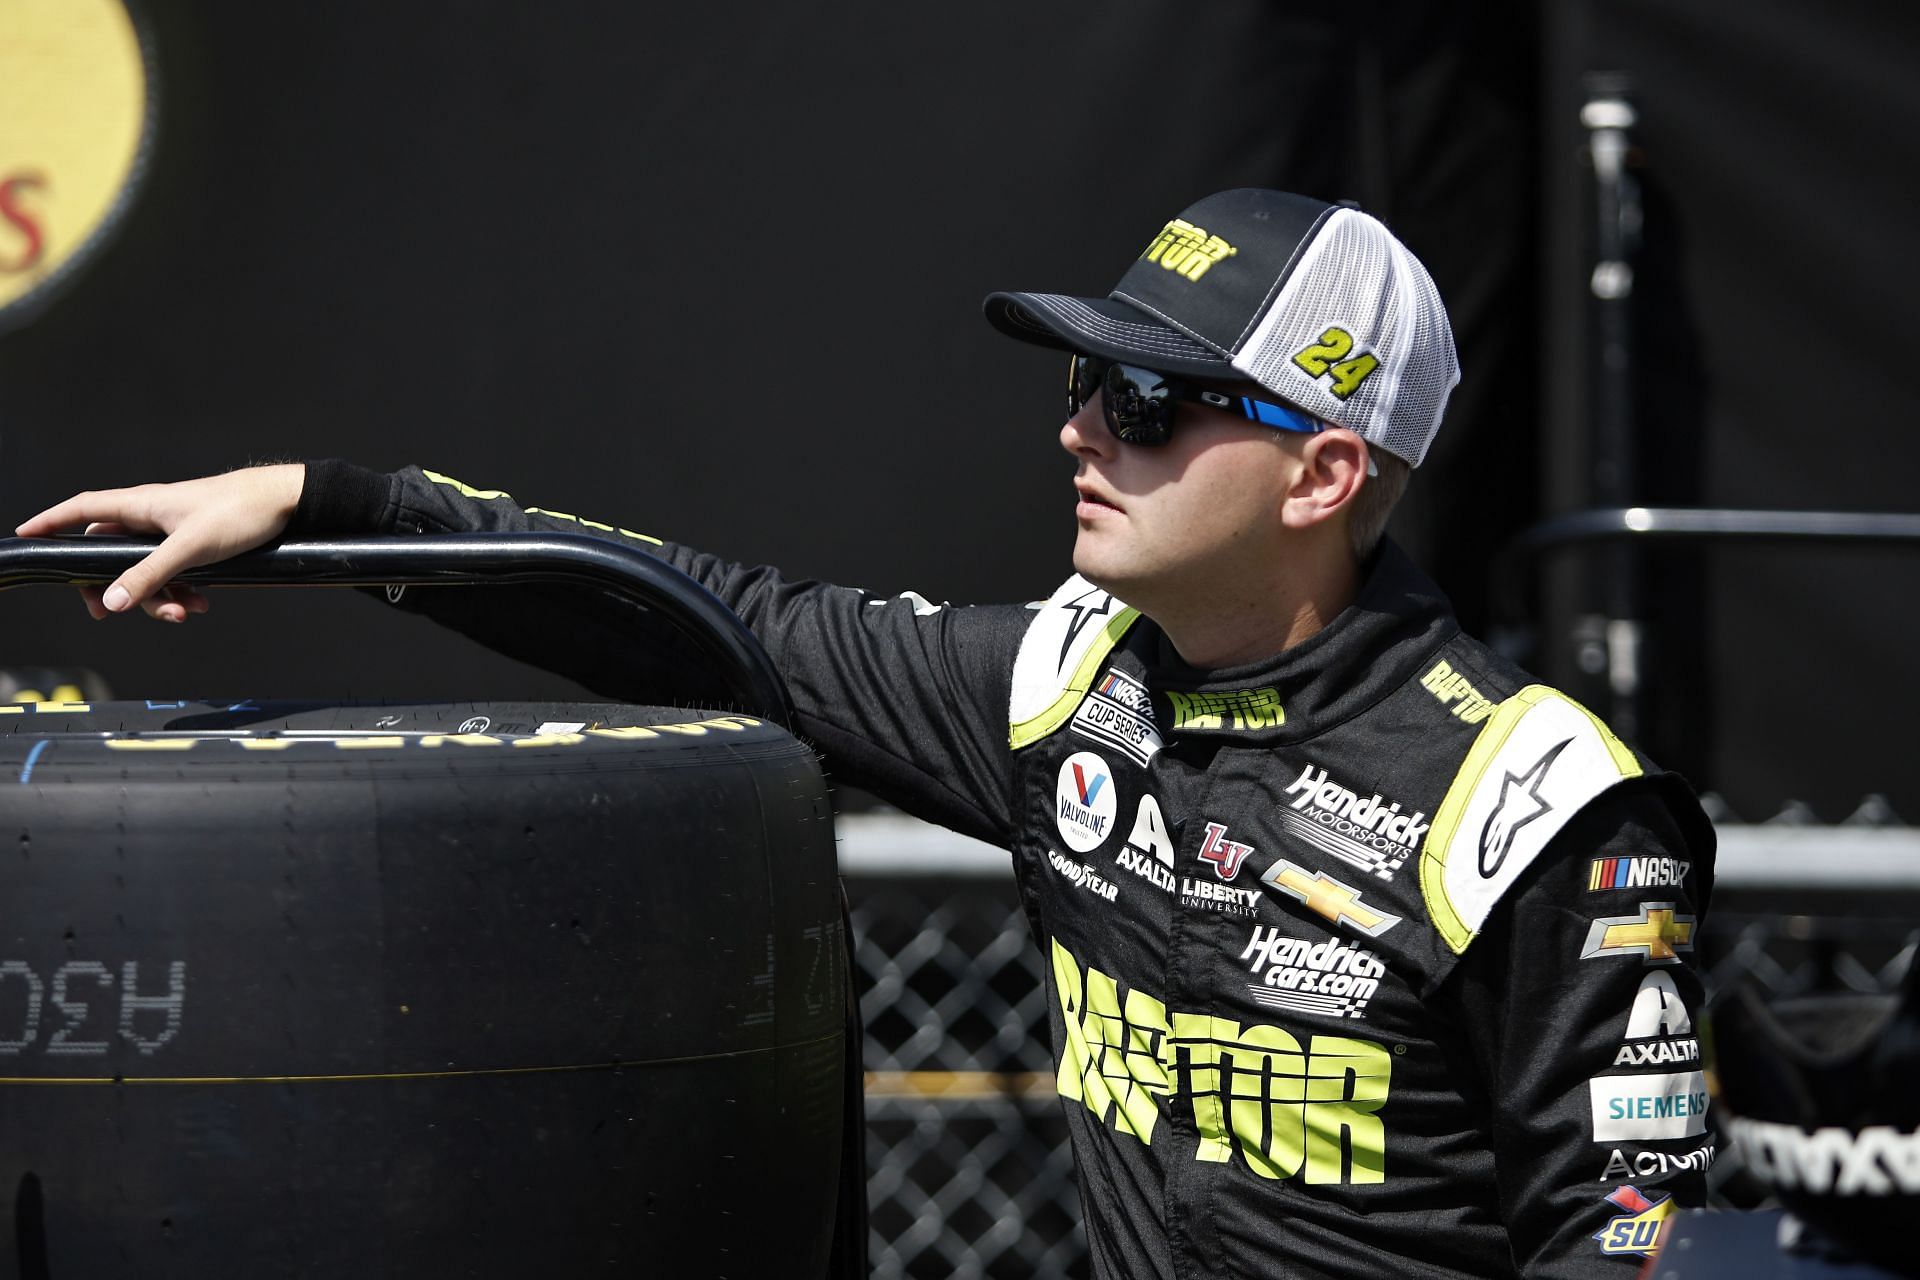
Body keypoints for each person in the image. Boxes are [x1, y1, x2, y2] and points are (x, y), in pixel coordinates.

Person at [18, 188, 1717, 1278]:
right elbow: (714, 623)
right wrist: (335, 504)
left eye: (1140, 403)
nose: (1077, 434)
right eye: (1074, 387)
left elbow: (1632, 1243)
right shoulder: (1065, 687)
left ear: (1325, 471)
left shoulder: (1536, 799)